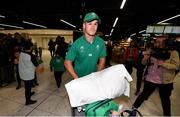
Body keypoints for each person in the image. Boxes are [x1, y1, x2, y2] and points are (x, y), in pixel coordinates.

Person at [64, 12, 107, 115]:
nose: (93, 27)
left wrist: (98, 74)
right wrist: (75, 77)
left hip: (94, 79)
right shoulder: (77, 44)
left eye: (95, 24)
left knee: (93, 104)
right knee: (80, 105)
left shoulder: (100, 42)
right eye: (89, 23)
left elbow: (102, 58)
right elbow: (67, 62)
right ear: (84, 26)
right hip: (80, 79)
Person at [132, 36, 180, 116]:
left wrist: (163, 64)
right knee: (143, 95)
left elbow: (177, 66)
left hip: (165, 81)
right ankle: (134, 108)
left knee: (165, 100)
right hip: (150, 78)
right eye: (156, 41)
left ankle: (167, 115)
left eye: (159, 42)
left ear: (165, 43)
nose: (156, 43)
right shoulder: (152, 50)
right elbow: (144, 63)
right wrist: (145, 58)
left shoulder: (173, 52)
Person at [18, 41, 38, 105]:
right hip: (28, 74)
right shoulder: (31, 56)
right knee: (28, 87)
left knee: (27, 86)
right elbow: (36, 64)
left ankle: (29, 93)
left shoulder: (21, 53)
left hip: (22, 73)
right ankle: (28, 101)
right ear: (30, 47)